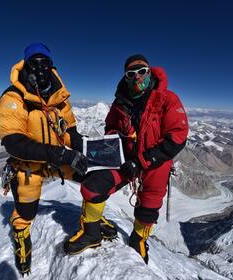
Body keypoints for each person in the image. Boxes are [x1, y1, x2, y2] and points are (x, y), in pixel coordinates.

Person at [0, 43, 116, 275]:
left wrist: (93, 151)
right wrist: (60, 154)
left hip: (58, 160)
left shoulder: (59, 98)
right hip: (28, 165)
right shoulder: (14, 97)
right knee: (26, 212)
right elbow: (14, 143)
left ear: (52, 66)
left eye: (45, 63)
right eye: (34, 63)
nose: (40, 68)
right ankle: (22, 238)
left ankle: (92, 221)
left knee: (98, 175)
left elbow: (69, 132)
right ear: (25, 65)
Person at [63, 54, 189, 264]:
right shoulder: (120, 103)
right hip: (124, 158)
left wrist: (141, 162)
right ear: (126, 77)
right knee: (93, 185)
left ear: (149, 72)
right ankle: (92, 233)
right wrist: (116, 141)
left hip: (155, 161)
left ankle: (138, 238)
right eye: (132, 74)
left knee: (149, 203)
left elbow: (177, 136)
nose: (138, 77)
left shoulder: (167, 99)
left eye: (142, 71)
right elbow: (110, 127)